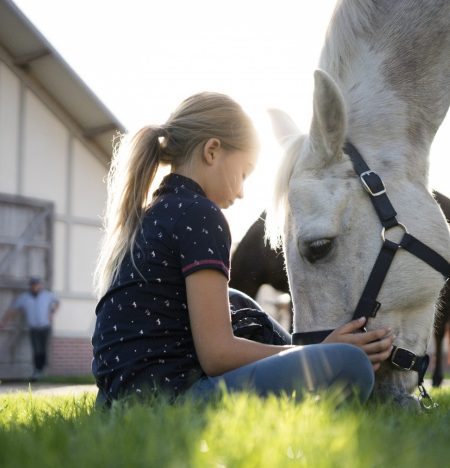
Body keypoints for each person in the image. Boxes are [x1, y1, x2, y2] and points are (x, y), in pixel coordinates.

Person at [91, 92, 395, 406]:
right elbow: (217, 354)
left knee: (237, 300)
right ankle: (319, 371)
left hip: (115, 404)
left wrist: (310, 350)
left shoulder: (149, 214)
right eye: (243, 174)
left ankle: (313, 358)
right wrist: (319, 354)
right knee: (351, 362)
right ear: (212, 151)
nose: (240, 192)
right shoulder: (200, 214)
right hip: (175, 401)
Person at [0, 276, 60, 381]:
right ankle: (37, 371)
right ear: (30, 286)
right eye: (33, 285)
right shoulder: (24, 297)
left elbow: (57, 302)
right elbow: (13, 309)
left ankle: (43, 370)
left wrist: (52, 313)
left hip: (45, 327)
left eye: (37, 284)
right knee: (37, 350)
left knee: (44, 349)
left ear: (40, 285)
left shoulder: (46, 295)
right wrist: (4, 322)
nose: (35, 286)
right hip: (34, 328)